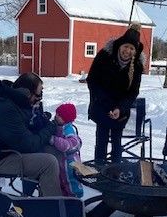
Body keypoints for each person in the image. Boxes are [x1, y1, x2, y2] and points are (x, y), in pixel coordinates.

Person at [0, 72, 62, 197]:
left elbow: (25, 132)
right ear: (26, 92)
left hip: (5, 152)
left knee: (54, 151)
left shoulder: (11, 101)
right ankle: (56, 209)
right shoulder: (7, 109)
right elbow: (30, 145)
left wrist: (39, 119)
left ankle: (52, 195)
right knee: (48, 162)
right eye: (38, 94)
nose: (40, 98)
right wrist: (51, 127)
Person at [87, 22, 145, 162]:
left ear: (135, 51)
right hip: (101, 105)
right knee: (101, 140)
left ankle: (115, 173)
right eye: (126, 46)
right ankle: (100, 172)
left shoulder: (137, 66)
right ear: (120, 45)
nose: (128, 50)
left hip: (120, 111)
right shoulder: (104, 56)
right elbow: (92, 81)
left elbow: (133, 92)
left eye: (131, 48)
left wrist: (120, 108)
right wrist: (107, 105)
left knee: (117, 143)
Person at [50, 103, 84, 198]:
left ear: (66, 119)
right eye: (56, 113)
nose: (56, 116)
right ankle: (65, 198)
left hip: (70, 161)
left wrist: (53, 140)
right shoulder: (57, 126)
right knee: (62, 180)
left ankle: (75, 198)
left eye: (59, 115)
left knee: (71, 180)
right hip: (62, 160)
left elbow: (68, 144)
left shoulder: (68, 129)